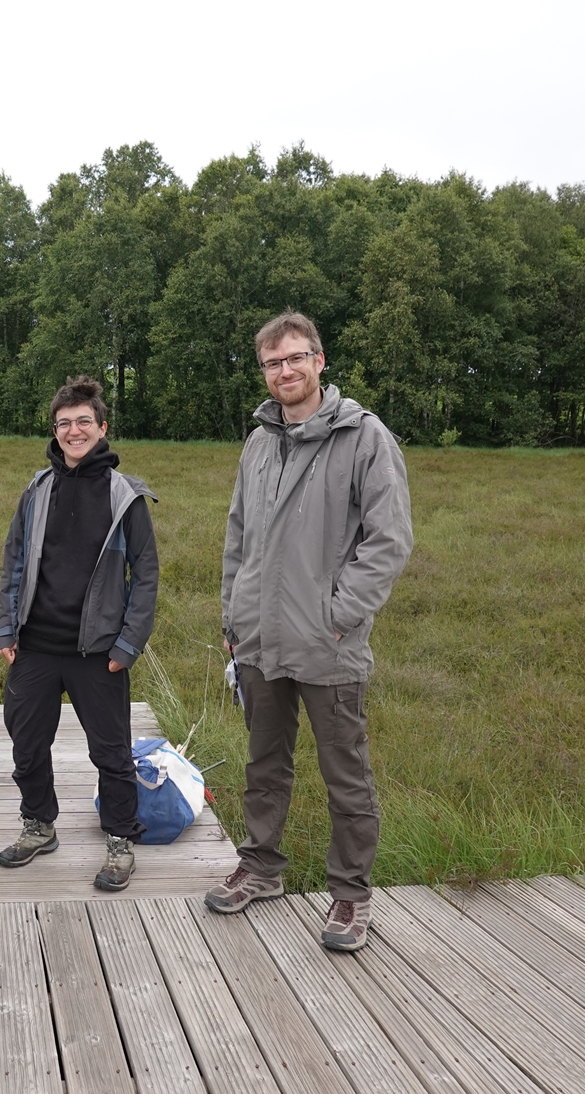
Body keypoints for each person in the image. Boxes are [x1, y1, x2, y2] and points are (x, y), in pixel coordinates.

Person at [204, 310, 413, 952]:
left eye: (296, 358)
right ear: (264, 373)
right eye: (273, 363)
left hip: (329, 645)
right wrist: (234, 617)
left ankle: (350, 896)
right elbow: (238, 537)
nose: (285, 371)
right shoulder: (259, 443)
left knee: (344, 773)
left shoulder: (364, 438)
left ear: (319, 362)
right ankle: (261, 869)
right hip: (260, 641)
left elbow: (390, 540)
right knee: (264, 764)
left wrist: (338, 616)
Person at [0, 377, 159, 891]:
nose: (74, 430)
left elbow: (146, 575)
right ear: (55, 430)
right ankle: (39, 825)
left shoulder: (124, 495)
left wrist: (128, 645)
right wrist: (7, 628)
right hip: (36, 645)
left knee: (110, 752)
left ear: (102, 427)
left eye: (84, 421)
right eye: (64, 423)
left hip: (99, 652)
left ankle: (119, 838)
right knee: (26, 742)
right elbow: (14, 562)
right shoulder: (37, 489)